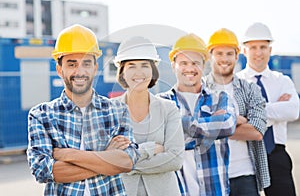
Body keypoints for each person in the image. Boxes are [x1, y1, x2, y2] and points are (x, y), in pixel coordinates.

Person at [26, 24, 139, 196]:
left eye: (86, 63)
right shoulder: (41, 115)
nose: (80, 72)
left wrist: (68, 155)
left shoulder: (118, 111)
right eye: (72, 64)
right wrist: (107, 157)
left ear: (95, 68)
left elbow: (127, 162)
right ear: (59, 69)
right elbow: (43, 171)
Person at [157, 33, 237, 196]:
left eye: (195, 63)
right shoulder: (160, 103)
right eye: (183, 63)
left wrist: (177, 127)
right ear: (173, 65)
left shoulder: (220, 98)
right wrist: (209, 131)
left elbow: (227, 126)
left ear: (203, 66)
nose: (190, 69)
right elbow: (157, 145)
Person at [112, 36, 185, 196]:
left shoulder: (169, 109)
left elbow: (175, 158)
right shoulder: (109, 110)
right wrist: (150, 149)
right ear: (122, 72)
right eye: (131, 66)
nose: (139, 72)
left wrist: (127, 163)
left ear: (153, 70)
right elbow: (106, 158)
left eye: (145, 65)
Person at [204, 28, 270, 196]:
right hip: (210, 174)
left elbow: (257, 132)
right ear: (210, 56)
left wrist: (216, 125)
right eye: (219, 53)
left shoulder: (250, 89)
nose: (224, 59)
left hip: (245, 175)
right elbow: (196, 129)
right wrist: (238, 120)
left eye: (229, 54)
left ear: (236, 56)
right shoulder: (199, 89)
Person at [237, 22, 300, 196]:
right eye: (253, 47)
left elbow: (293, 111)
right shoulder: (236, 83)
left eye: (263, 47)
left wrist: (253, 112)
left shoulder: (282, 81)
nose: (258, 52)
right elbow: (235, 116)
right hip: (245, 155)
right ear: (244, 51)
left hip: (276, 154)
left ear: (270, 50)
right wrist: (276, 109)